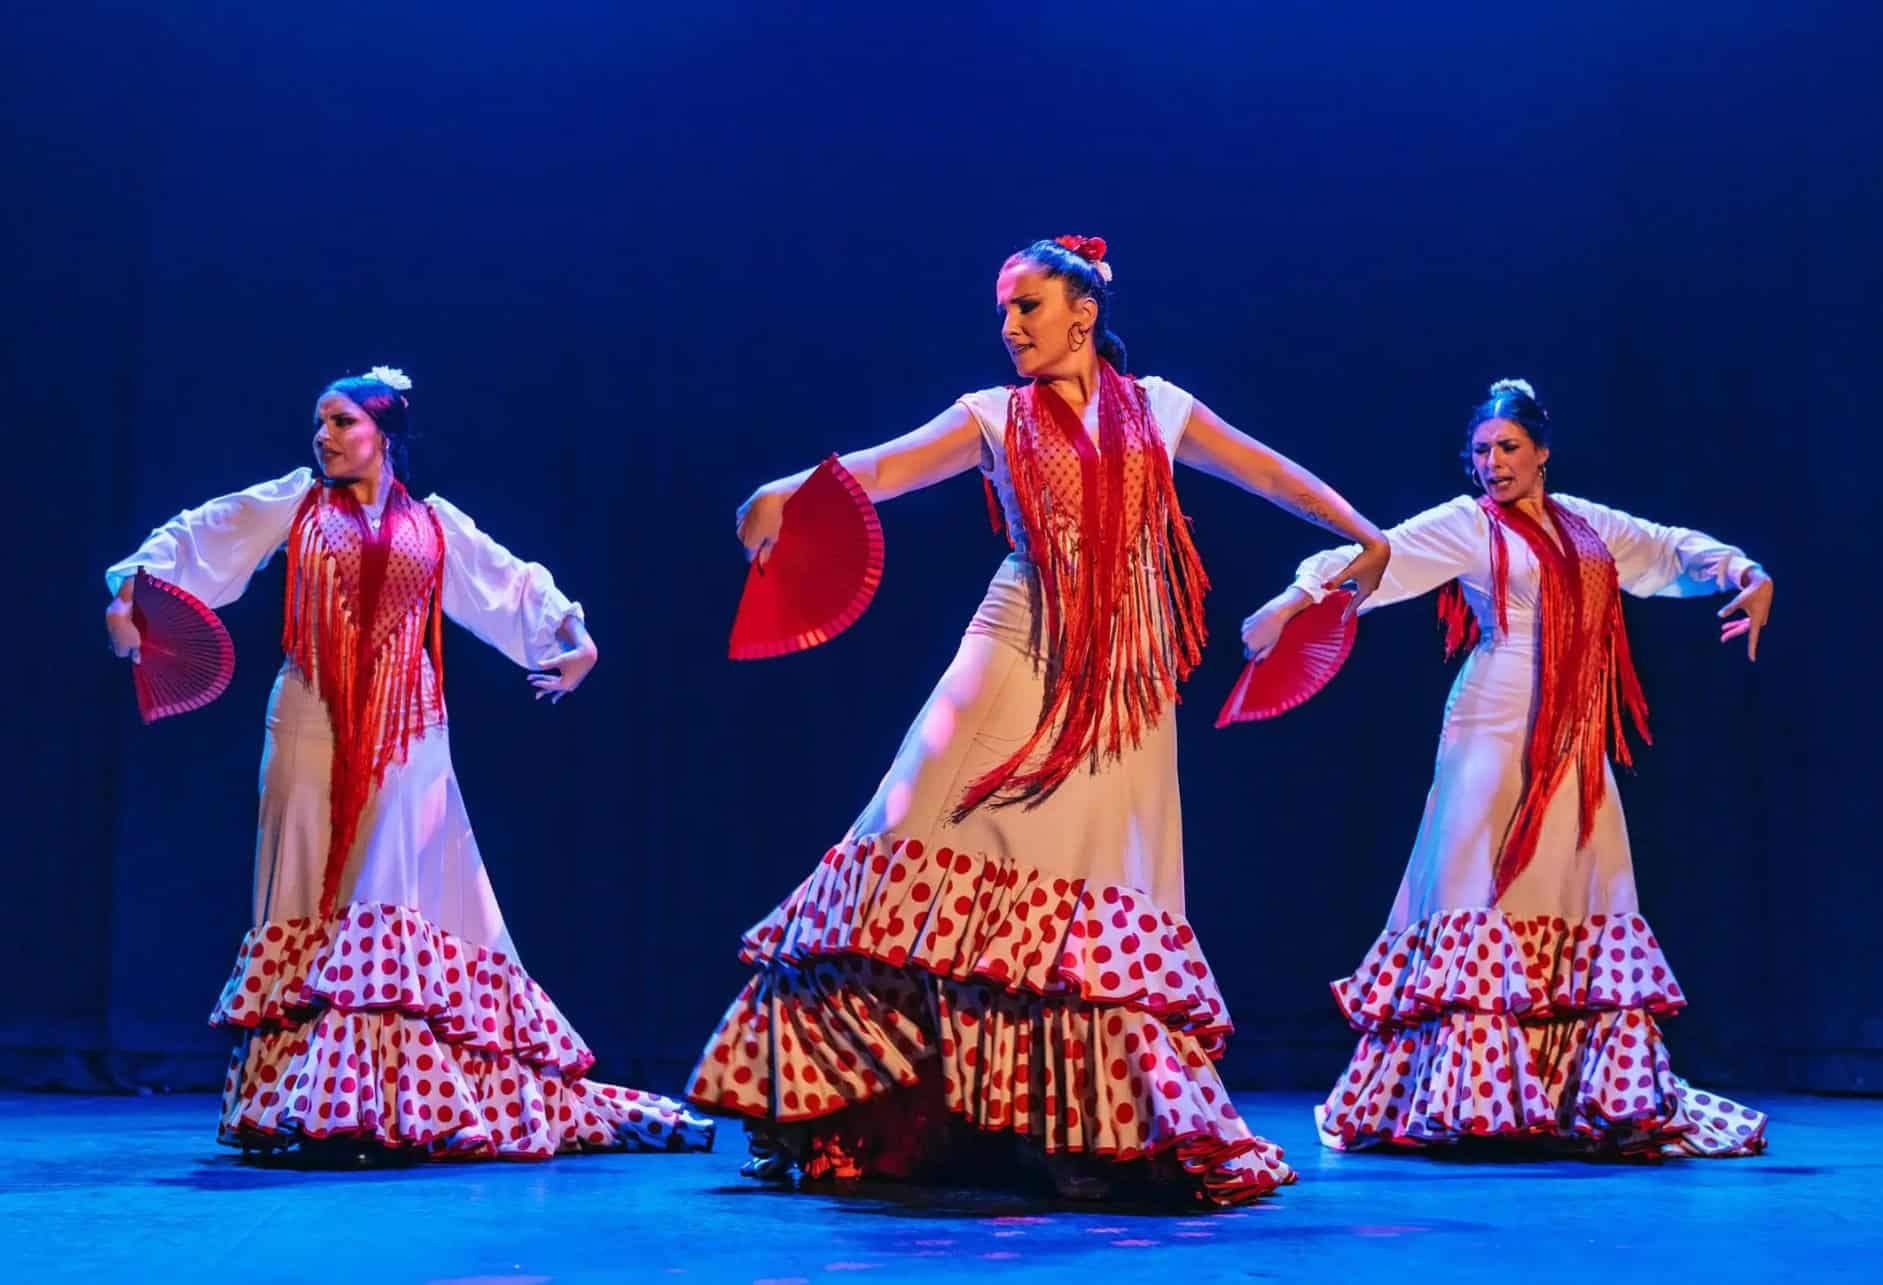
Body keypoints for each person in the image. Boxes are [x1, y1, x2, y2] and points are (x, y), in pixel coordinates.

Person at [687, 237, 1391, 1203]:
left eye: (1027, 306)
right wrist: (783, 492)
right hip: (1019, 633)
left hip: (1129, 660)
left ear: (1083, 312)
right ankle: (834, 1094)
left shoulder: (1162, 407)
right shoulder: (990, 415)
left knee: (1100, 870)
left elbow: (1268, 474)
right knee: (907, 820)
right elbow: (882, 471)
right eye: (1004, 311)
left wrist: (1361, 534)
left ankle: (1080, 1121)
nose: (1010, 326)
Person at [104, 366, 713, 1161]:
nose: (323, 436)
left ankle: (379, 1104)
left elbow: (508, 580)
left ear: (384, 433)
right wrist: (131, 595)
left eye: (341, 422)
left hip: (410, 726)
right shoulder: (295, 502)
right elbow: (203, 533)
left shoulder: (434, 526)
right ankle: (302, 1100)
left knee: (387, 888)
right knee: (301, 887)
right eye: (319, 422)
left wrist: (572, 636)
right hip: (307, 720)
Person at [1245, 377, 1772, 1157]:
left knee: (1581, 884)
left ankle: (1574, 1095)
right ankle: (1464, 1096)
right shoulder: (1467, 525)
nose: (1493, 462)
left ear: (1542, 453)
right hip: (1491, 724)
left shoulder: (1589, 527)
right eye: (1482, 450)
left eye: (1509, 448)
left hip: (1575, 735)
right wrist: (1292, 600)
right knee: (1473, 886)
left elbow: (1667, 550)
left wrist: (1741, 572)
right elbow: (1376, 552)